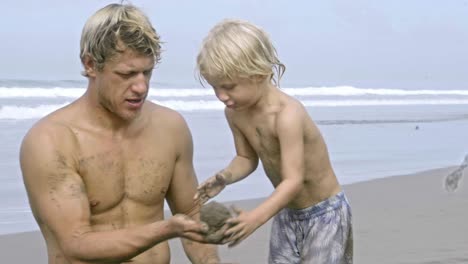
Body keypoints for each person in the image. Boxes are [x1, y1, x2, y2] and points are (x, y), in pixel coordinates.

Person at [19, 3, 220, 264]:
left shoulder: (171, 128)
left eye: (147, 72)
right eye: (127, 74)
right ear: (90, 64)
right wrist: (166, 229)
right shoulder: (51, 141)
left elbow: (192, 216)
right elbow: (75, 243)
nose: (141, 86)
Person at [194, 19, 353, 263]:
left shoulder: (287, 115)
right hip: (287, 211)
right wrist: (223, 178)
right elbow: (246, 158)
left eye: (229, 87)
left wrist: (254, 219)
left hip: (325, 214)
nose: (221, 96)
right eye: (215, 88)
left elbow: (293, 180)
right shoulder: (235, 112)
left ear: (258, 73)